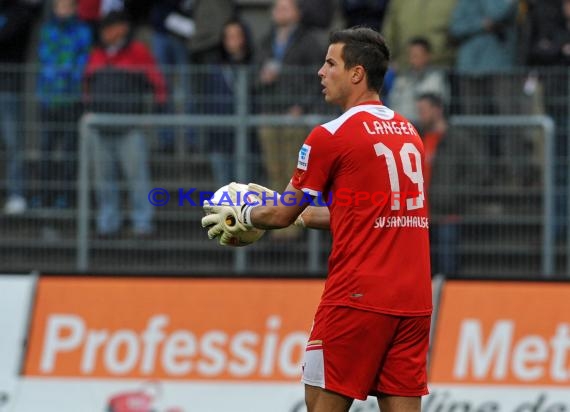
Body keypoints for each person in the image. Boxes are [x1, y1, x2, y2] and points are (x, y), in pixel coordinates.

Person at [202, 27, 432, 412]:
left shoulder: (330, 135)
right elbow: (370, 213)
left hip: (356, 298)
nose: (320, 72)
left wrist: (243, 213)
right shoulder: (409, 132)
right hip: (413, 302)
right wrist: (304, 217)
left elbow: (278, 213)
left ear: (357, 73)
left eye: (330, 63)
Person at [84, 11, 167, 237]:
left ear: (121, 28)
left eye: (110, 28)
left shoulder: (137, 51)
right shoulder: (96, 53)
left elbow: (157, 82)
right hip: (100, 127)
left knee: (137, 178)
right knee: (103, 180)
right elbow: (86, 84)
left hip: (130, 127)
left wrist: (153, 113)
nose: (106, 33)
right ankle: (107, 223)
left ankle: (143, 223)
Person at [34, 0, 93, 209]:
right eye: (60, 7)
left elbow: (82, 61)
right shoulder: (48, 29)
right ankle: (44, 194)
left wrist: (67, 73)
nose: (63, 11)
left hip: (71, 99)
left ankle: (67, 196)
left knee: (70, 151)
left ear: (74, 9)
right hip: (49, 98)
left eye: (67, 7)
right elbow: (46, 57)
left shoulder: (83, 31)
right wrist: (62, 71)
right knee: (46, 149)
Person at [388, 37, 449, 125]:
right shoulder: (401, 79)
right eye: (411, 55)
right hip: (402, 125)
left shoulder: (436, 78)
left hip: (425, 126)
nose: (412, 59)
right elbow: (393, 102)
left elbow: (436, 108)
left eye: (416, 55)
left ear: (427, 56)